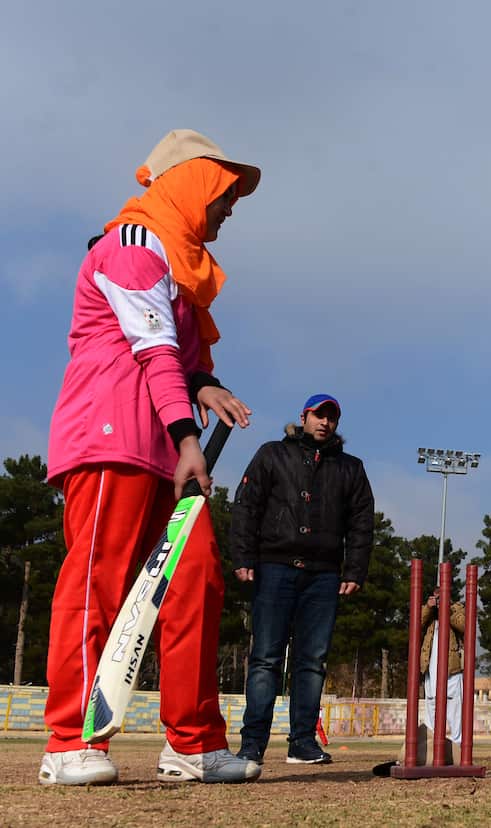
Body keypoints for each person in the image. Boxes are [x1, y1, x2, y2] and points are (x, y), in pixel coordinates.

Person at [40, 129, 261, 785]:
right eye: (223, 194)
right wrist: (190, 437)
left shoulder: (180, 265)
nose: (229, 208)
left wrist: (205, 386)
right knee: (97, 585)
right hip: (113, 440)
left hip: (164, 444)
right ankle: (69, 744)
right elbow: (152, 350)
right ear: (191, 184)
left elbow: (182, 360)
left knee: (197, 582)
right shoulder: (133, 247)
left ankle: (193, 745)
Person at [230, 394, 375, 765]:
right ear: (304, 416)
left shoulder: (350, 468)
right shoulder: (272, 453)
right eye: (318, 415)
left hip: (324, 575)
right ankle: (252, 744)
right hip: (274, 567)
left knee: (312, 661)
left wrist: (355, 569)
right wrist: (243, 556)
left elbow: (362, 522)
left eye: (331, 417)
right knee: (265, 658)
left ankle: (302, 743)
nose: (324, 422)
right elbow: (246, 504)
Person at [420, 585, 466, 759]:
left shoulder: (457, 608)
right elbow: (417, 622)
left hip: (451, 670)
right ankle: (431, 747)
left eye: (442, 597)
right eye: (436, 597)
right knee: (431, 706)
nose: (439, 601)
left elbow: (463, 625)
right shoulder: (430, 615)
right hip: (430, 670)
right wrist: (428, 607)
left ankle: (458, 746)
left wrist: (448, 608)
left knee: (455, 710)